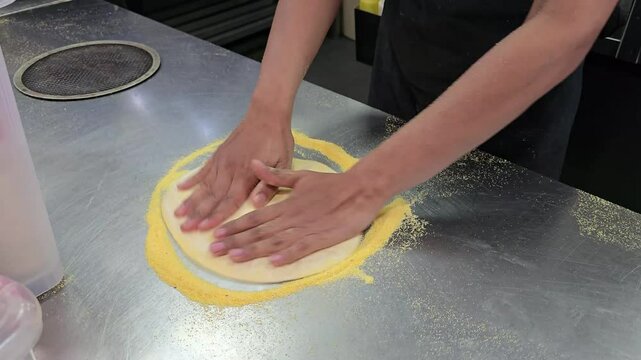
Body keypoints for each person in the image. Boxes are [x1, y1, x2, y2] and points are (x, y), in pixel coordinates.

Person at [174, 0, 618, 266]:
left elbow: (565, 21)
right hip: (407, 56)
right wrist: (267, 109)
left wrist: (365, 187)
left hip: (516, 107)